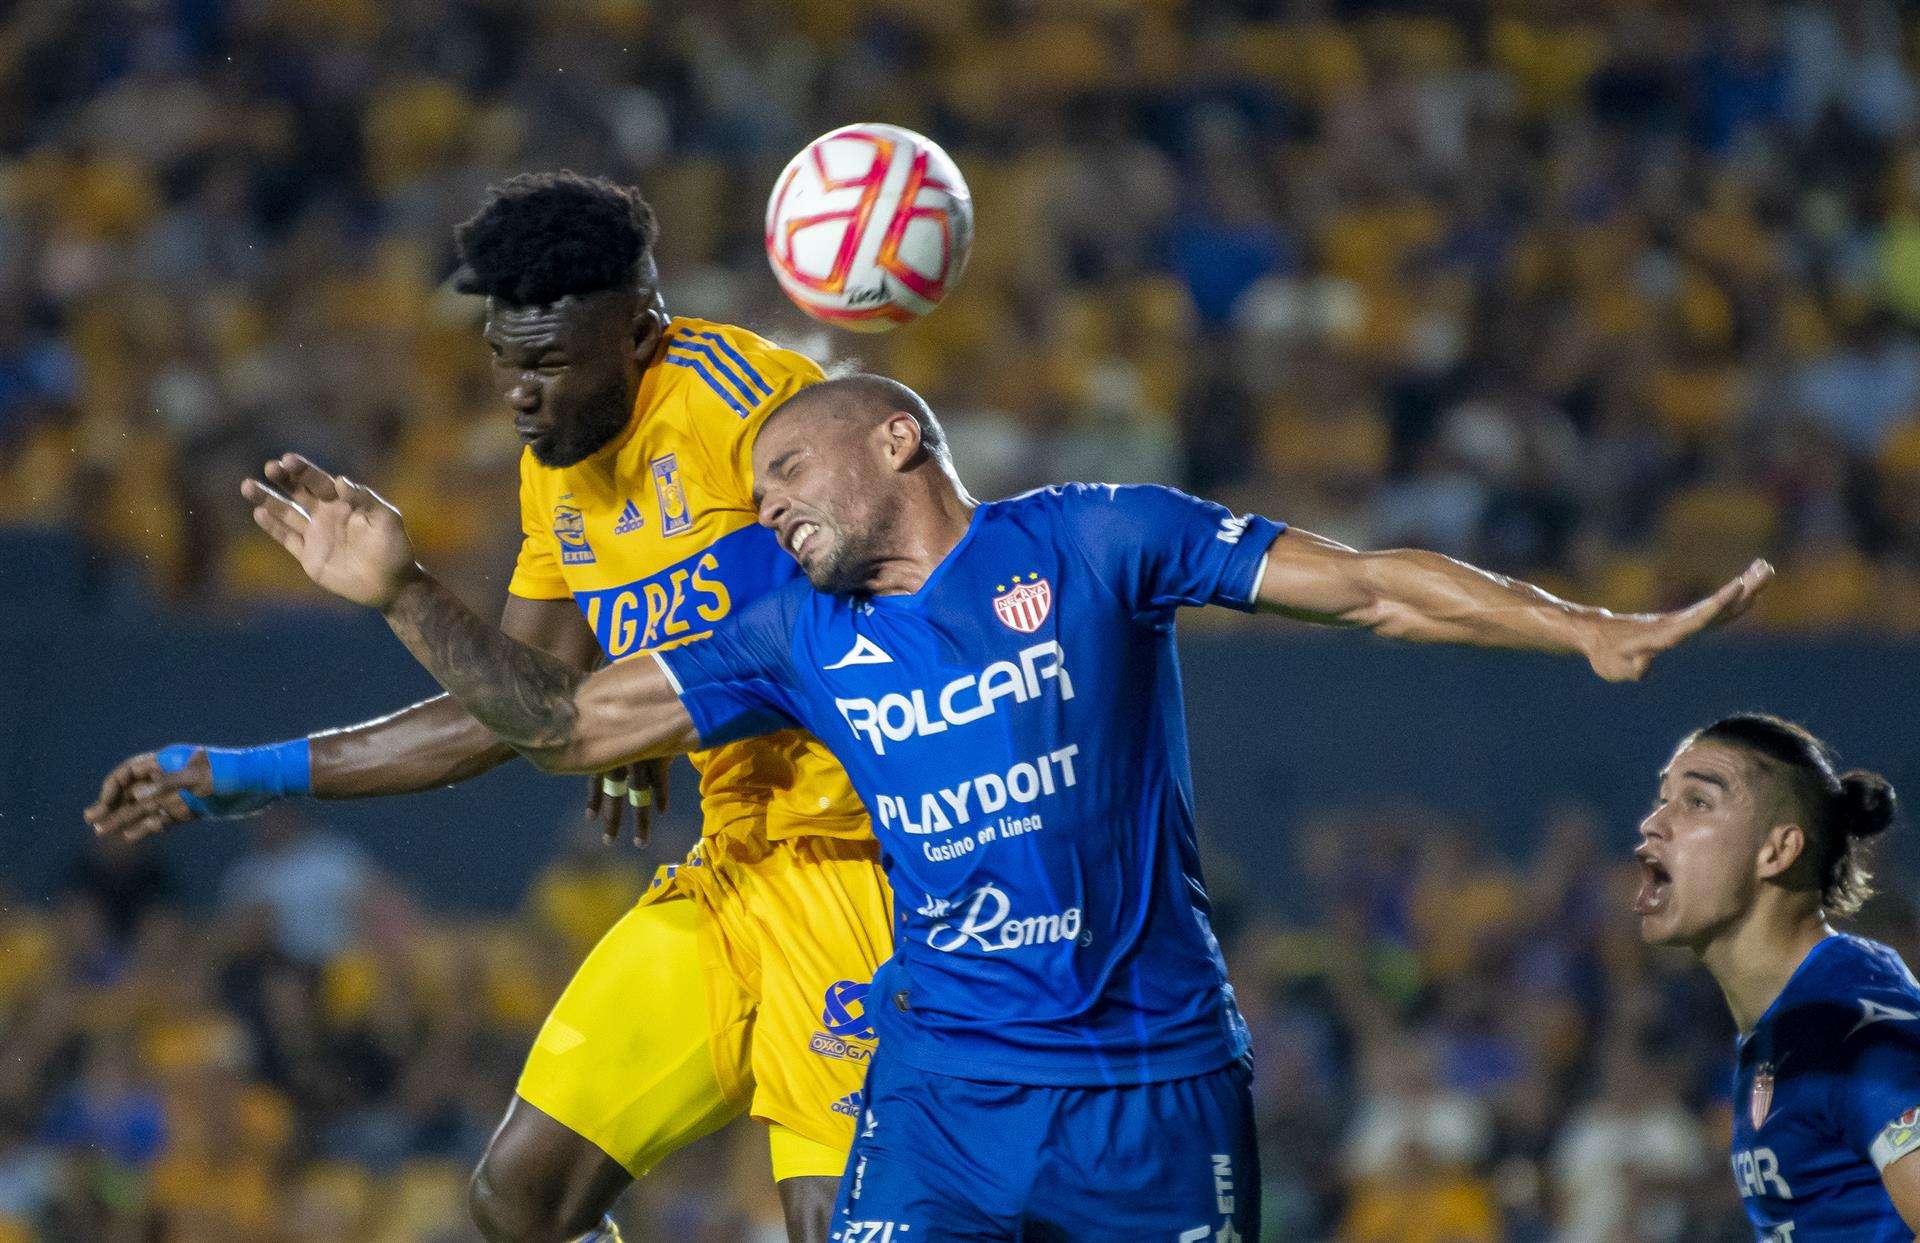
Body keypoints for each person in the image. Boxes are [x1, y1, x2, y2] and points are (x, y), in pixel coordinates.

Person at [234, 374, 1771, 1238]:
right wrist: (409, 591)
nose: (761, 498)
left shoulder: (1100, 539)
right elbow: (563, 722)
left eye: (784, 465)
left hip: (1153, 1087)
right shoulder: (790, 634)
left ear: (898, 438)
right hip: (944, 1090)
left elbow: (1370, 589)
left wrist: (1576, 620)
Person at [83, 173, 892, 1243]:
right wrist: (239, 774)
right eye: (507, 360)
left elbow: (855, 629)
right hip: (739, 873)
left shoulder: (748, 408)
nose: (521, 392)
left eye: (552, 362)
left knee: (836, 1225)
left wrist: (631, 706)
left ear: (642, 334)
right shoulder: (554, 470)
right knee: (522, 1197)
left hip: (859, 869)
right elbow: (513, 711)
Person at [1634, 712, 1916, 1241]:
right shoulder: (1782, 1023)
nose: (1653, 823)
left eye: (1696, 802)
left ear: (1778, 851)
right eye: (1662, 798)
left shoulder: (1849, 1022)